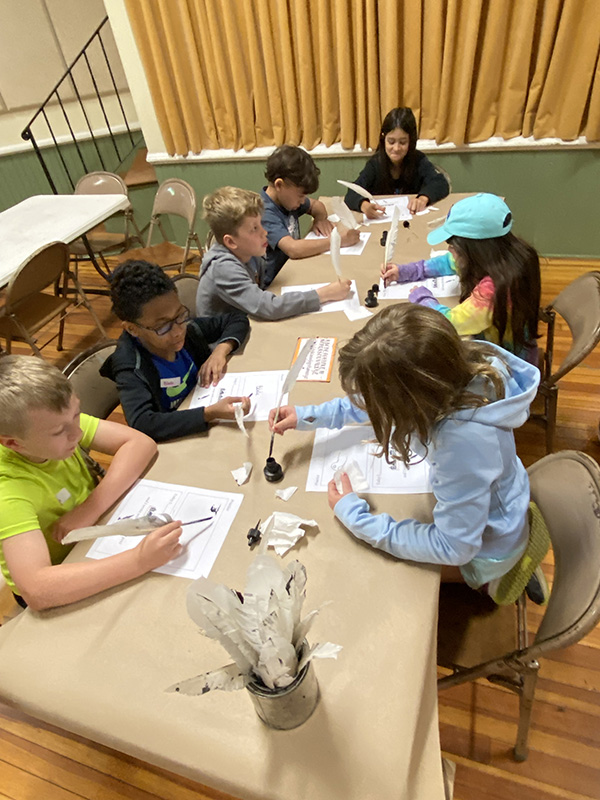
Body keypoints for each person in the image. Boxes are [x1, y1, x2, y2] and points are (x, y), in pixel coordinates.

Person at [269, 304, 542, 600]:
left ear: (411, 401)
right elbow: (381, 398)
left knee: (377, 577)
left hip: (491, 548)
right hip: (500, 504)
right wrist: (309, 415)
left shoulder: (463, 444)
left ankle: (494, 579)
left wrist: (354, 516)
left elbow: (454, 548)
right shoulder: (455, 369)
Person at [0, 355, 183, 611]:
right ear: (12, 443)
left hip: (93, 538)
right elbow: (37, 590)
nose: (76, 433)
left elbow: (141, 443)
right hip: (65, 575)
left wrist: (90, 508)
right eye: (58, 432)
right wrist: (139, 560)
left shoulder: (55, 421)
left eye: (76, 414)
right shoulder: (7, 492)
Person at [381, 193, 541, 364]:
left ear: (475, 251)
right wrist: (409, 271)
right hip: (515, 345)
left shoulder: (493, 290)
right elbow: (449, 262)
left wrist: (422, 298)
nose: (450, 252)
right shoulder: (508, 254)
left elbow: (451, 323)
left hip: (507, 365)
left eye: (453, 247)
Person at [100, 260, 251, 442]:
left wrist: (220, 350)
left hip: (206, 420)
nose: (178, 331)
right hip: (179, 440)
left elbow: (236, 319)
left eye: (180, 315)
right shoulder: (131, 367)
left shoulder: (188, 330)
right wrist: (207, 414)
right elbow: (143, 423)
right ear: (132, 329)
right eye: (162, 327)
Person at [197, 186, 352, 320]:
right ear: (231, 242)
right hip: (224, 342)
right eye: (254, 229)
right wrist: (323, 294)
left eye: (260, 224)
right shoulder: (223, 268)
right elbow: (268, 307)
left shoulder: (247, 251)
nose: (264, 232)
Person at [261, 145, 360, 284]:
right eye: (300, 195)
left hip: (295, 270)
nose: (302, 201)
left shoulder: (287, 199)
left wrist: (320, 219)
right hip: (277, 284)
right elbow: (293, 249)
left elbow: (316, 205)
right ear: (279, 185)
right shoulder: (264, 212)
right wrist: (338, 241)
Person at [344, 107, 450, 218]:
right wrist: (364, 205)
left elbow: (440, 183)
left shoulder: (418, 160)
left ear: (411, 141)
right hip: (382, 221)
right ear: (383, 139)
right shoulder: (375, 164)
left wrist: (423, 198)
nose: (396, 148)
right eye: (391, 141)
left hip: (414, 219)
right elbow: (352, 191)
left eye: (403, 142)